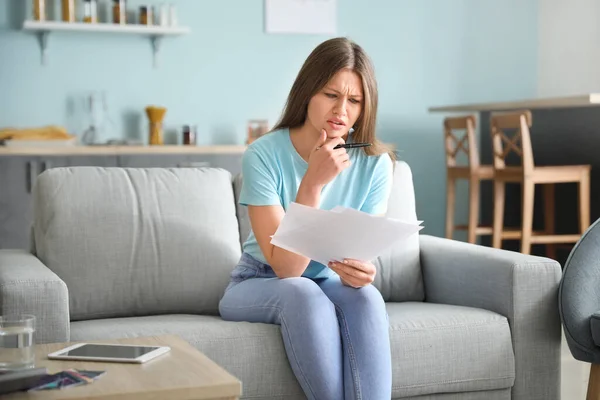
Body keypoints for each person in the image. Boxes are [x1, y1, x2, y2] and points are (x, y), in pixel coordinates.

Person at [219, 37, 395, 400]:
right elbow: (288, 269)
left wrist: (362, 269)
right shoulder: (263, 154)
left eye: (355, 100)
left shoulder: (376, 164)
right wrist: (312, 184)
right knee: (302, 292)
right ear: (308, 92)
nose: (341, 110)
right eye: (331, 94)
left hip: (328, 278)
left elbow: (360, 248)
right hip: (260, 279)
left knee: (368, 297)